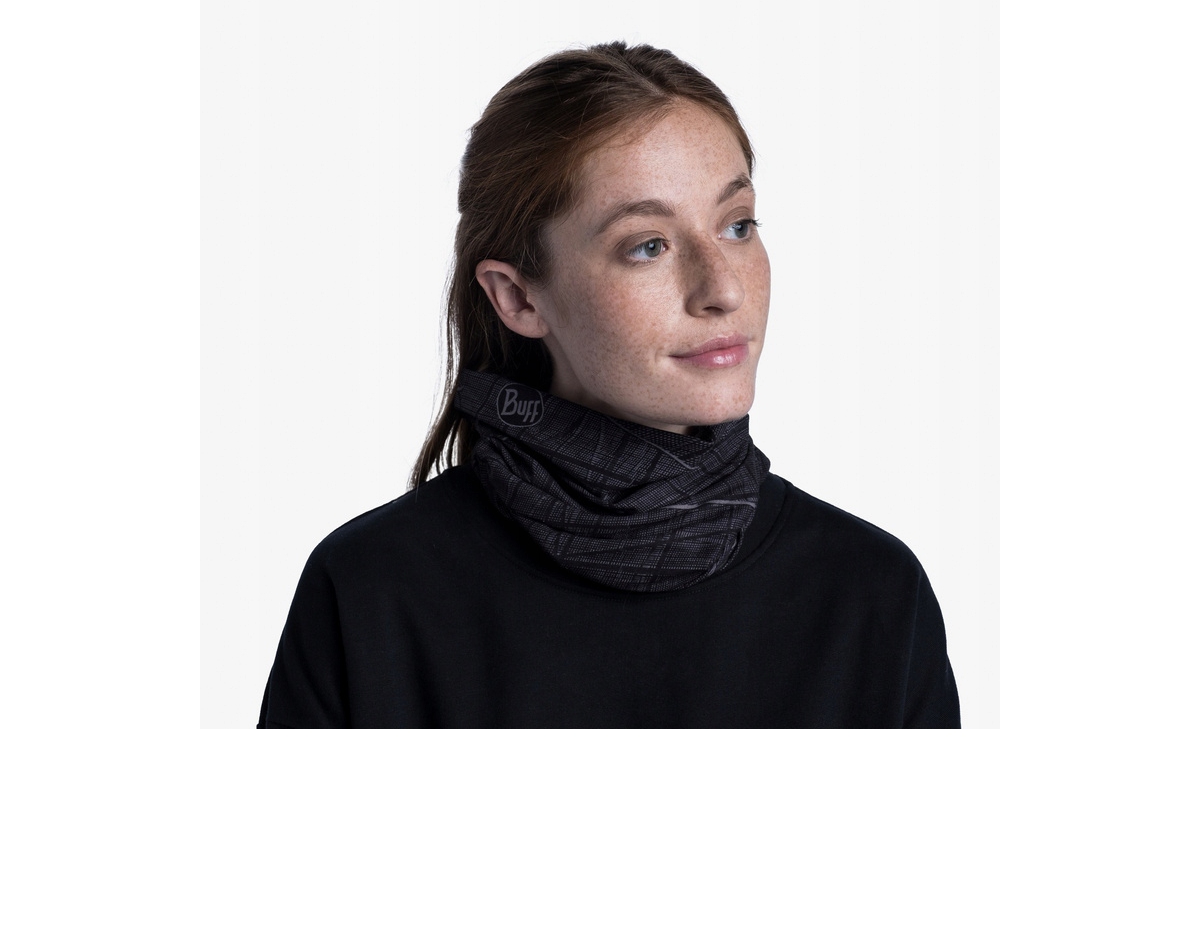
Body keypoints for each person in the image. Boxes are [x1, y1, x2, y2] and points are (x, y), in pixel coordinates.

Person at [257, 41, 960, 728]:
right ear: (518, 298)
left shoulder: (874, 594)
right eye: (648, 246)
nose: (723, 290)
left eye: (738, 225)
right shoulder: (370, 592)